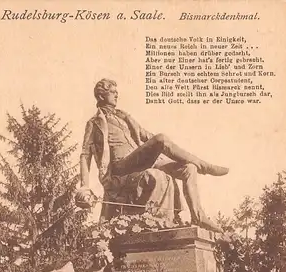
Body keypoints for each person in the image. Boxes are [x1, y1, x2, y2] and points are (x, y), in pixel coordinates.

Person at [79, 78, 229, 231]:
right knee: (161, 139)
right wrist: (84, 186)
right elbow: (85, 154)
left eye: (117, 92)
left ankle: (198, 216)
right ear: (101, 96)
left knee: (189, 168)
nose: (116, 95)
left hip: (139, 160)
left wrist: (161, 148)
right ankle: (204, 165)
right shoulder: (95, 122)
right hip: (122, 166)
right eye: (112, 92)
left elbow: (147, 136)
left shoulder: (124, 118)